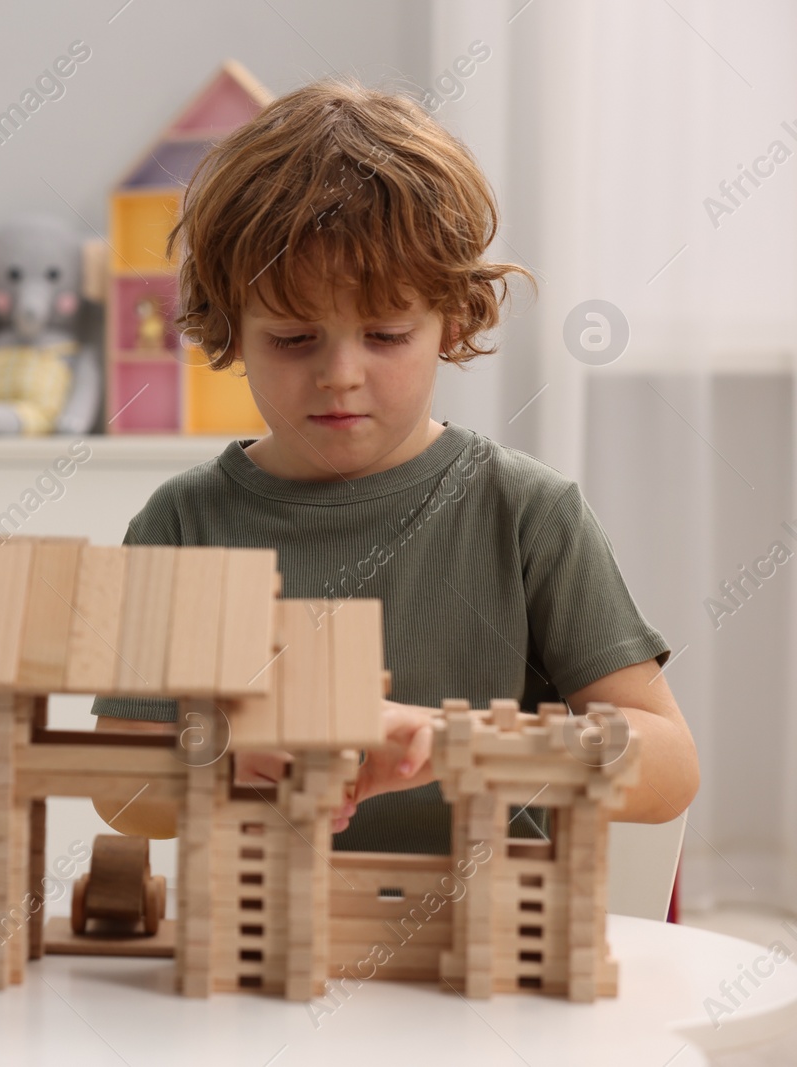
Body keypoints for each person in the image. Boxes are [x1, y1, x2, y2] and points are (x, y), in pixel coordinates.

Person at [90, 79, 699, 852]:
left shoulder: (529, 513)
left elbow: (670, 763)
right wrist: (226, 765)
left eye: (384, 335)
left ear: (451, 320)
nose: (341, 374)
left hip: (478, 952)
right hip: (265, 950)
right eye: (293, 338)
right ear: (232, 329)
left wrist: (459, 742)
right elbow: (118, 785)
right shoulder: (182, 522)